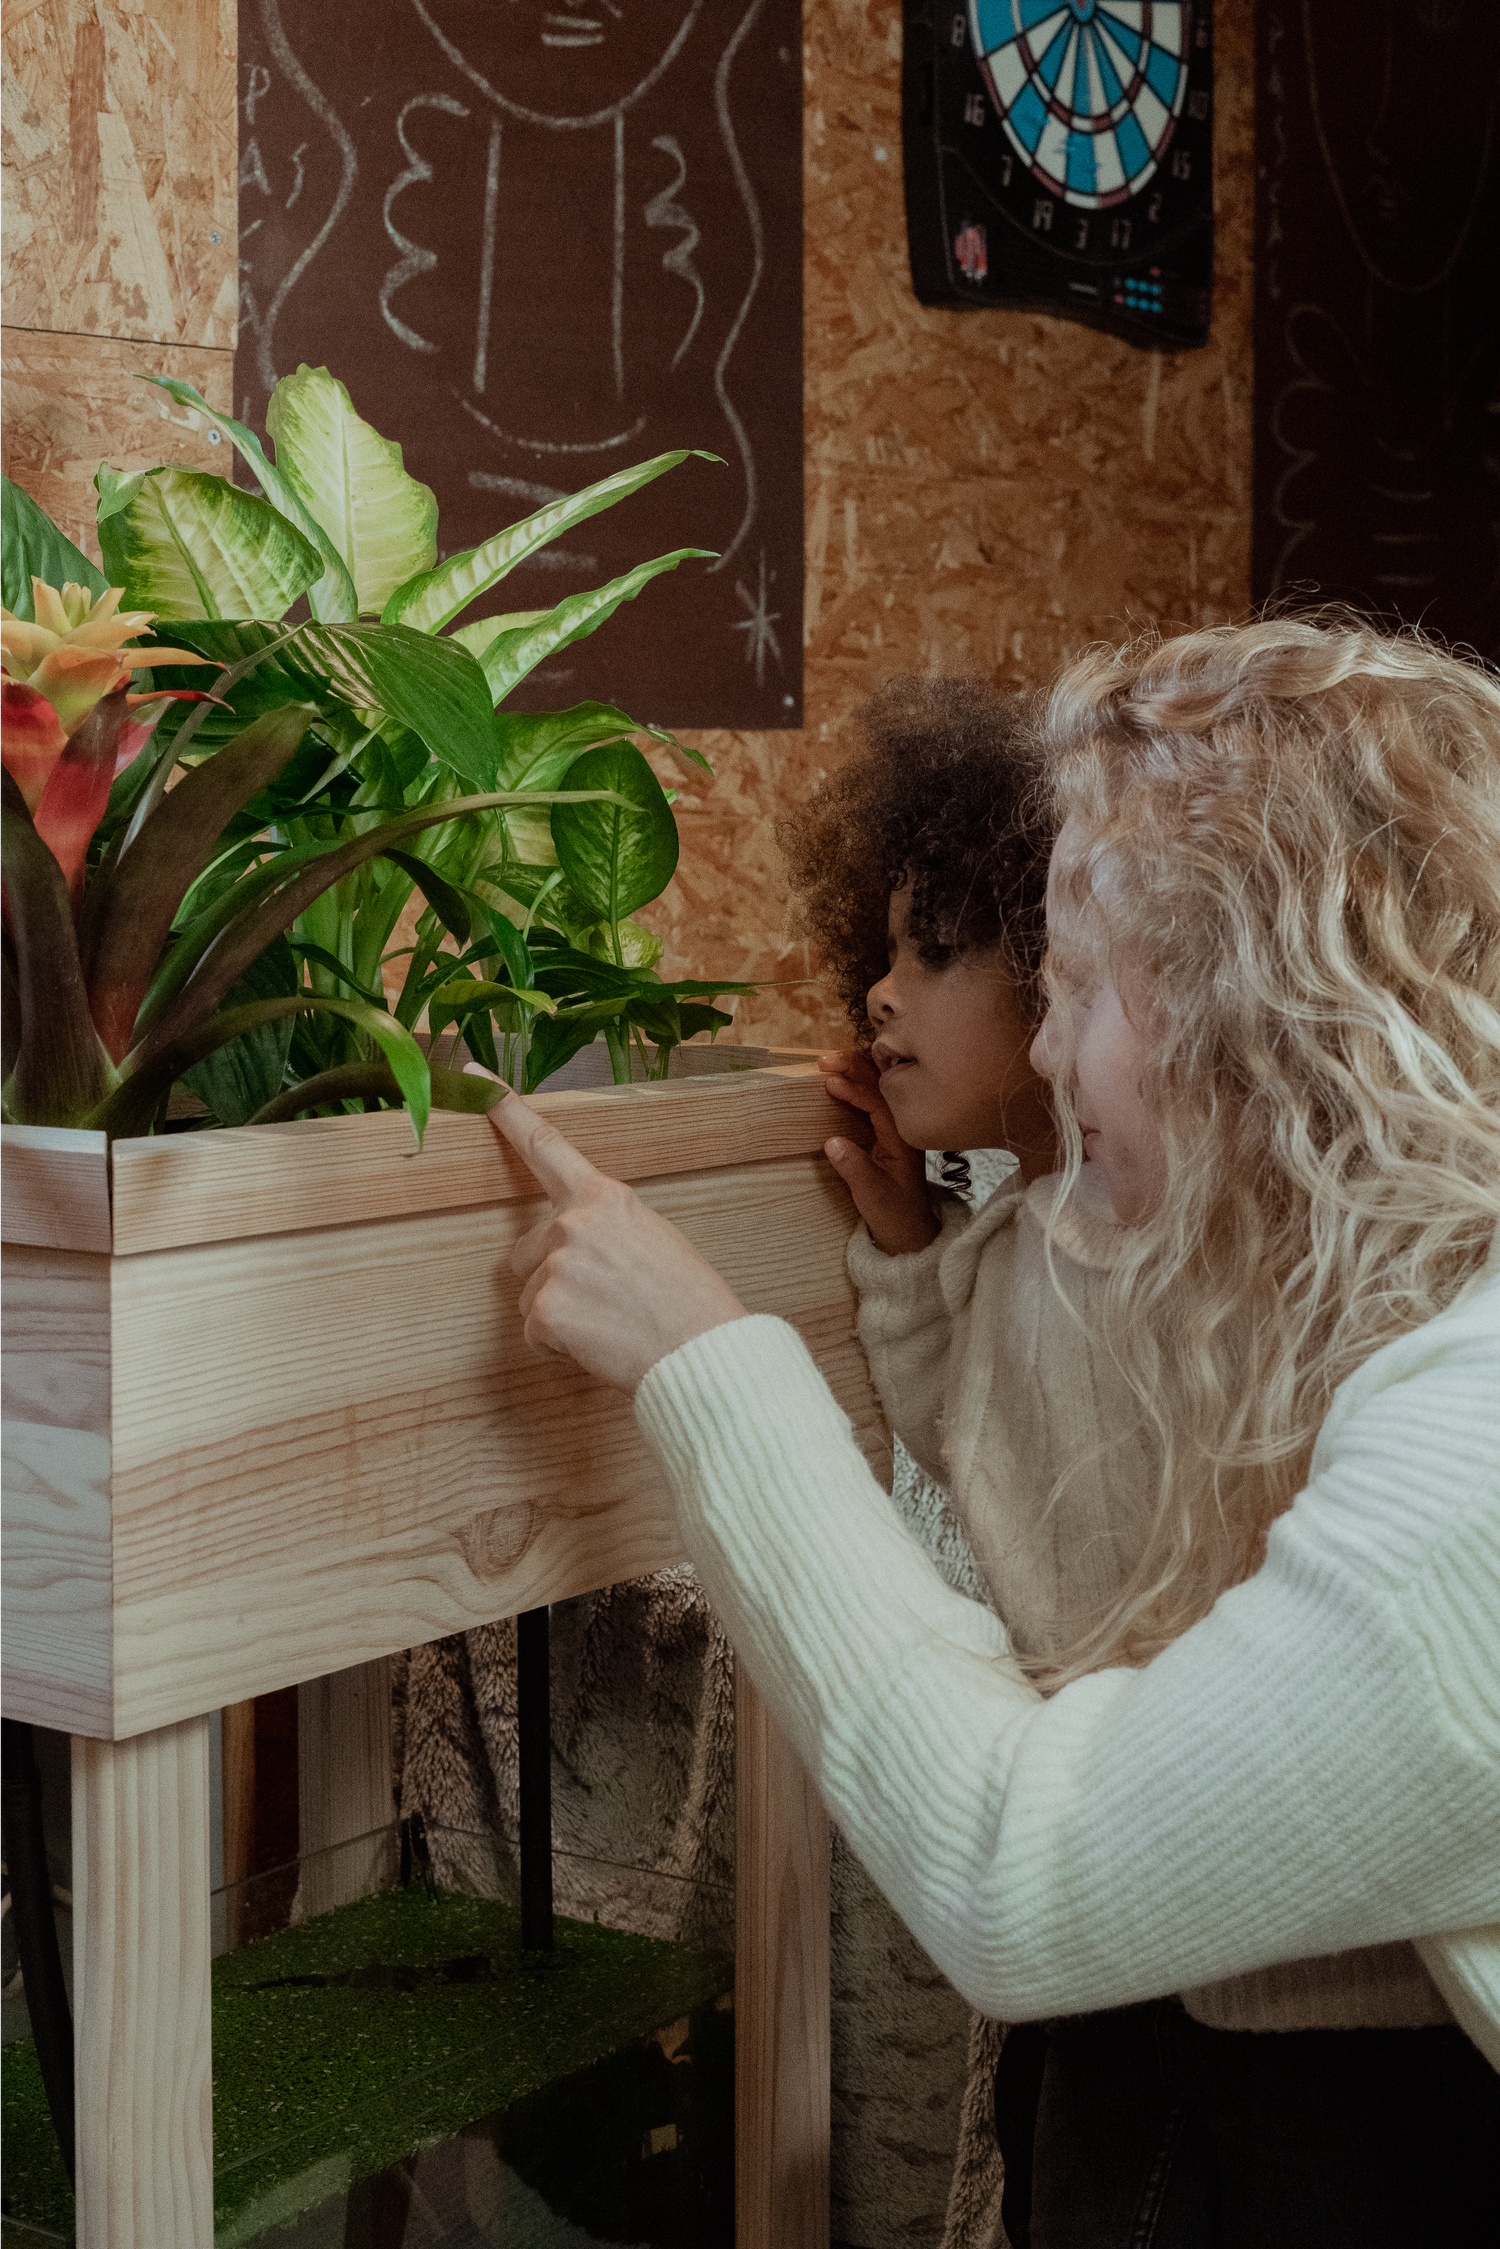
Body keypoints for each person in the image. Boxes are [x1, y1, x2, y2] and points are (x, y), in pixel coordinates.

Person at [491, 619, 1500, 2245]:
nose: (1039, 1037)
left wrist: (708, 1361)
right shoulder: (1326, 1272)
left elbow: (1019, 1871)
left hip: (1320, 2107)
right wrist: (904, 1267)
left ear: (1266, 1005)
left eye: (1081, 985)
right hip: (1147, 2030)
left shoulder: (1471, 1479)